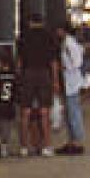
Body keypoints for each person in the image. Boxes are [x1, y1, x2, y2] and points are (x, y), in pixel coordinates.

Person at [16, 13, 60, 157]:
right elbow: (53, 62)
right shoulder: (49, 37)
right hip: (44, 74)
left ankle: (24, 147)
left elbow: (19, 61)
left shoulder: (23, 37)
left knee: (25, 112)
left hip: (28, 73)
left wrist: (19, 77)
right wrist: (55, 80)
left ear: (30, 22)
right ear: (42, 22)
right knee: (44, 111)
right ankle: (46, 147)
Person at [56, 22, 87, 155]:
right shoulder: (67, 43)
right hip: (69, 81)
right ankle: (72, 140)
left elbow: (77, 62)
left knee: (73, 112)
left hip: (72, 81)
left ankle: (77, 141)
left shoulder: (70, 44)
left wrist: (64, 67)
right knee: (70, 112)